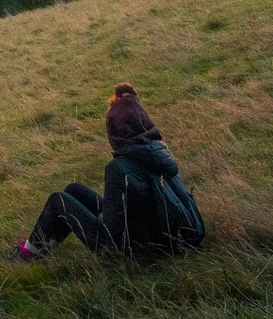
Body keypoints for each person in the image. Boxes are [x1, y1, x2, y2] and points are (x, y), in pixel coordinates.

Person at [18, 82, 204, 258]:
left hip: (130, 245)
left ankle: (30, 252)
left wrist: (94, 220)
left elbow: (112, 233)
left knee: (58, 200)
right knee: (73, 190)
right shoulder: (160, 153)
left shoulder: (118, 168)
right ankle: (46, 246)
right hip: (158, 233)